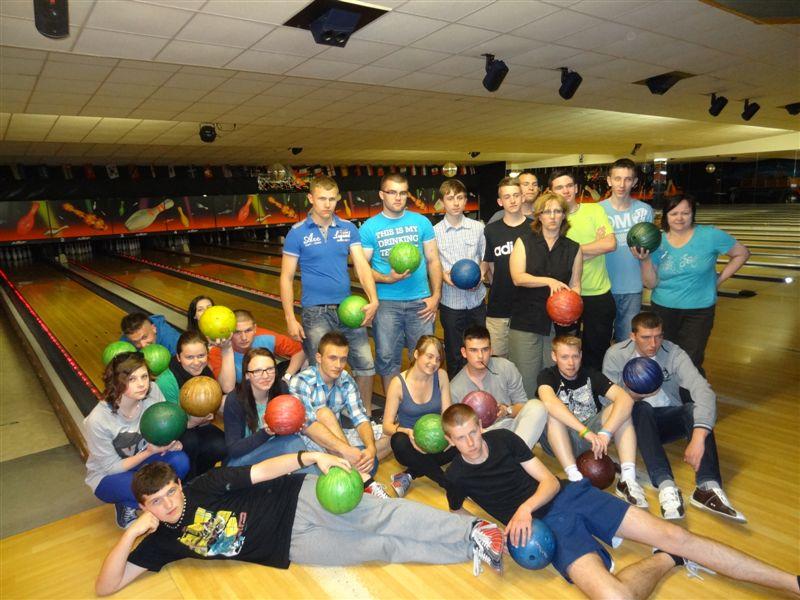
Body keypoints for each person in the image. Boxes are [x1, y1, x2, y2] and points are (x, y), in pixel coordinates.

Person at [442, 403, 800, 600]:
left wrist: (522, 509)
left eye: (474, 432)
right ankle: (668, 559)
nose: (471, 443)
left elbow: (549, 481)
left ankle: (792, 582)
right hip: (547, 528)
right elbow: (458, 511)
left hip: (569, 496)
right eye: (461, 438)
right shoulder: (457, 475)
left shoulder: (504, 440)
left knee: (678, 535)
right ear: (449, 440)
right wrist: (491, 534)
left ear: (481, 426)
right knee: (617, 598)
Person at [93, 455, 507, 596]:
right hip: (288, 547)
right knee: (379, 548)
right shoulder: (163, 541)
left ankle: (472, 529)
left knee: (379, 517)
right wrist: (130, 533)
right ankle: (469, 547)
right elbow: (106, 587)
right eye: (157, 501)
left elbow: (261, 471)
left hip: (295, 499)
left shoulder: (206, 485)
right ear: (143, 506)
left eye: (171, 492)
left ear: (179, 485)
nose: (168, 504)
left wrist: (309, 458)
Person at [602, 311, 745, 522]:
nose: (653, 344)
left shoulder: (673, 353)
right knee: (641, 408)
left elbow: (703, 391)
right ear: (632, 336)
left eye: (658, 336)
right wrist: (634, 395)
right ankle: (666, 486)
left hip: (665, 420)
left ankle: (707, 487)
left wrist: (698, 437)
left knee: (691, 409)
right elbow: (607, 403)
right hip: (632, 427)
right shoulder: (616, 355)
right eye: (646, 337)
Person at [280, 175, 379, 413]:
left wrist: (374, 299)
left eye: (332, 199)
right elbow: (286, 277)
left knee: (365, 365)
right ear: (311, 198)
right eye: (322, 198)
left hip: (349, 309)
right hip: (315, 313)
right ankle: (325, 419)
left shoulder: (348, 229)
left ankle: (363, 415)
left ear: (338, 199)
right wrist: (290, 318)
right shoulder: (297, 233)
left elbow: (362, 266)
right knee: (322, 369)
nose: (327, 204)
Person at [634, 194, 750, 370]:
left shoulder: (710, 235)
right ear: (666, 215)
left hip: (699, 310)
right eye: (674, 213)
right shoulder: (657, 241)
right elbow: (651, 284)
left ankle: (689, 388)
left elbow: (742, 253)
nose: (679, 218)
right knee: (663, 356)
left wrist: (719, 280)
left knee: (691, 360)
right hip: (663, 309)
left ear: (693, 214)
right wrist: (645, 260)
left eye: (685, 213)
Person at [537, 335, 646, 508]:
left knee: (621, 409)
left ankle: (627, 478)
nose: (571, 363)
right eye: (564, 357)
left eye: (575, 356)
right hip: (559, 440)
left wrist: (605, 433)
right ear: (554, 356)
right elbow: (549, 402)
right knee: (552, 412)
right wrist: (585, 432)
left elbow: (625, 399)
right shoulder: (547, 375)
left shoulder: (591, 374)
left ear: (581, 355)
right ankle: (574, 478)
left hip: (592, 439)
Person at [84, 352, 189, 529]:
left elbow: (165, 427)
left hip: (144, 460)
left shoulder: (153, 391)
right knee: (141, 488)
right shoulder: (98, 420)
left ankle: (154, 504)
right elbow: (111, 467)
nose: (142, 384)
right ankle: (127, 504)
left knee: (180, 461)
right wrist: (148, 452)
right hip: (108, 475)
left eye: (144, 376)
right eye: (132, 379)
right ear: (116, 382)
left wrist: (170, 443)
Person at [360, 173, 443, 392]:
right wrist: (387, 278)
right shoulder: (369, 228)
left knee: (426, 356)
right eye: (392, 192)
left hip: (421, 302)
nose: (398, 198)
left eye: (403, 193)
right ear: (381, 195)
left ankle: (423, 402)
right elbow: (362, 269)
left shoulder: (421, 222)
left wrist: (436, 297)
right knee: (387, 358)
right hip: (386, 303)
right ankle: (393, 407)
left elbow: (434, 260)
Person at [289, 332, 390, 498]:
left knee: (391, 435)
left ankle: (348, 466)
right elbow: (307, 427)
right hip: (307, 441)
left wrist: (371, 448)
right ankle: (364, 479)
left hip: (336, 437)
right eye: (332, 358)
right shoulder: (301, 381)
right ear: (319, 358)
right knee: (324, 413)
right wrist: (346, 450)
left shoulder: (346, 380)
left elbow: (360, 418)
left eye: (343, 359)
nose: (338, 365)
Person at [508, 191, 582, 398]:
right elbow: (518, 278)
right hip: (526, 320)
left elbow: (576, 286)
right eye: (547, 211)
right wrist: (549, 281)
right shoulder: (524, 242)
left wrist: (571, 313)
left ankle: (553, 416)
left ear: (564, 215)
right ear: (539, 216)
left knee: (553, 378)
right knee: (527, 379)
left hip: (558, 324)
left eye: (557, 211)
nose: (552, 216)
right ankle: (529, 416)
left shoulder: (574, 248)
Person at [550, 170, 617, 370]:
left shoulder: (594, 210)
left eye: (569, 186)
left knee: (597, 350)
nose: (565, 191)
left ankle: (595, 388)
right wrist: (593, 248)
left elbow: (610, 244)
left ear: (576, 188)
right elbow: (552, 258)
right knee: (567, 353)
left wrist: (572, 253)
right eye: (559, 187)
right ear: (551, 192)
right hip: (565, 295)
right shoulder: (552, 218)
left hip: (597, 292)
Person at [449, 325, 547, 449]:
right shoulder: (455, 388)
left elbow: (522, 405)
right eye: (473, 350)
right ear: (464, 352)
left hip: (511, 429)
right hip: (482, 437)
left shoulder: (506, 367)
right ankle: (517, 455)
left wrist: (507, 411)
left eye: (485, 349)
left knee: (537, 406)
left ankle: (518, 453)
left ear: (491, 350)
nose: (480, 356)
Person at [382, 335, 456, 498]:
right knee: (398, 441)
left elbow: (448, 415)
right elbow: (387, 427)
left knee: (461, 440)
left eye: (438, 359)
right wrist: (407, 432)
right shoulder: (397, 383)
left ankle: (410, 474)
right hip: (411, 444)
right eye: (429, 356)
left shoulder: (441, 375)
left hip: (437, 441)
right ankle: (447, 483)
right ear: (416, 354)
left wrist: (449, 436)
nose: (434, 363)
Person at [155, 331, 230, 480]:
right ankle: (186, 482)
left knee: (222, 445)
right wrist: (193, 422)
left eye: (201, 356)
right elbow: (168, 425)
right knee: (190, 442)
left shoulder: (206, 372)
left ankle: (199, 478)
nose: (196, 362)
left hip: (198, 425)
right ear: (178, 357)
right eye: (189, 357)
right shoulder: (166, 381)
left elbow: (212, 406)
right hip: (172, 431)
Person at [223, 348, 311, 470]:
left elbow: (284, 434)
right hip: (242, 463)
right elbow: (234, 450)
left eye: (270, 369)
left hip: (274, 452)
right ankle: (309, 479)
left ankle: (308, 478)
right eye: (257, 371)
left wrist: (296, 424)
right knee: (293, 442)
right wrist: (265, 433)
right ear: (247, 375)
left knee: (294, 440)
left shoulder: (281, 389)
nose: (265, 376)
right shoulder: (235, 400)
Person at [433, 178, 487, 378]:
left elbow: (485, 259)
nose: (456, 203)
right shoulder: (434, 232)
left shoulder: (478, 228)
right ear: (442, 202)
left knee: (479, 350)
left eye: (460, 198)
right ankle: (456, 391)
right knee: (455, 352)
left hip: (476, 301)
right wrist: (443, 277)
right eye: (450, 198)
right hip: (451, 303)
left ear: (465, 200)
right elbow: (433, 264)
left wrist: (480, 276)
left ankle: (480, 388)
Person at [599, 159, 654, 342]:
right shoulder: (597, 211)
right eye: (617, 178)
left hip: (632, 288)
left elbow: (650, 249)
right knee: (600, 341)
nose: (622, 184)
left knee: (627, 342)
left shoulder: (645, 211)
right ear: (609, 180)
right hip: (602, 287)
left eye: (628, 179)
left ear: (635, 182)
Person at [482, 177, 532, 358]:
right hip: (499, 307)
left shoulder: (535, 228)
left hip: (528, 306)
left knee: (524, 360)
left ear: (523, 197)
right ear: (499, 202)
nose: (512, 200)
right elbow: (489, 265)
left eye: (516, 195)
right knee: (497, 361)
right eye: (507, 197)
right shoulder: (491, 230)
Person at [207, 309, 305, 385]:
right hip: (241, 390)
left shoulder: (267, 337)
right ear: (230, 332)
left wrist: (287, 376)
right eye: (237, 332)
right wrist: (227, 351)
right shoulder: (218, 351)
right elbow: (227, 388)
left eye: (248, 330)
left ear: (255, 328)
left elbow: (300, 350)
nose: (244, 337)